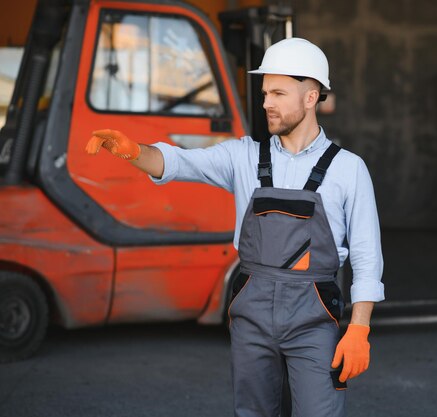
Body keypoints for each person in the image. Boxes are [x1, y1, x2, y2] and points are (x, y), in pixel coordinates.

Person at [86, 37, 384, 417]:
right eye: (264, 93)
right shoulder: (241, 156)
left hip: (314, 319)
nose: (266, 103)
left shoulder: (348, 169)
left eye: (278, 93)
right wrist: (133, 151)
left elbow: (366, 255)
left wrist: (360, 329)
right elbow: (177, 162)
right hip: (252, 316)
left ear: (311, 98)